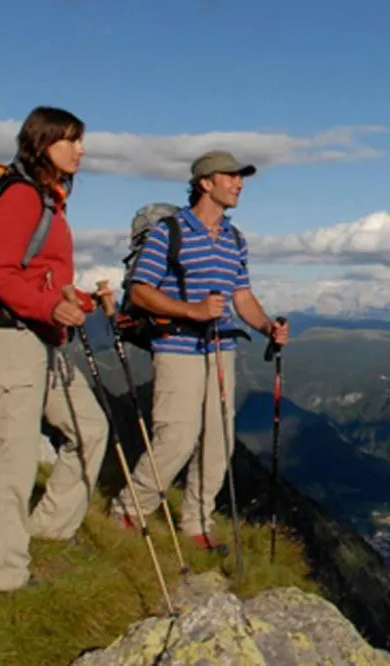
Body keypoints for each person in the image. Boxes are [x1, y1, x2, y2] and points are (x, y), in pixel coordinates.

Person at [110, 150, 289, 554]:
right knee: (177, 436)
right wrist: (190, 310)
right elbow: (140, 290)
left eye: (240, 178)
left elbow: (240, 295)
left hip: (221, 348)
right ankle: (129, 510)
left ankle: (197, 522)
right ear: (205, 183)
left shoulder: (233, 238)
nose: (239, 183)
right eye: (231, 176)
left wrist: (266, 328)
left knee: (219, 441)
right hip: (178, 347)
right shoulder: (170, 232)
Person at [0, 106, 109, 592]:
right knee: (15, 454)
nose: (80, 149)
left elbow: (42, 276)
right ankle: (0, 571)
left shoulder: (50, 200)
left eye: (80, 140)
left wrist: (78, 300)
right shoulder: (22, 196)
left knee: (90, 430)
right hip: (10, 338)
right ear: (41, 142)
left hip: (41, 338)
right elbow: (0, 273)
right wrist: (51, 308)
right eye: (69, 140)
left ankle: (48, 526)